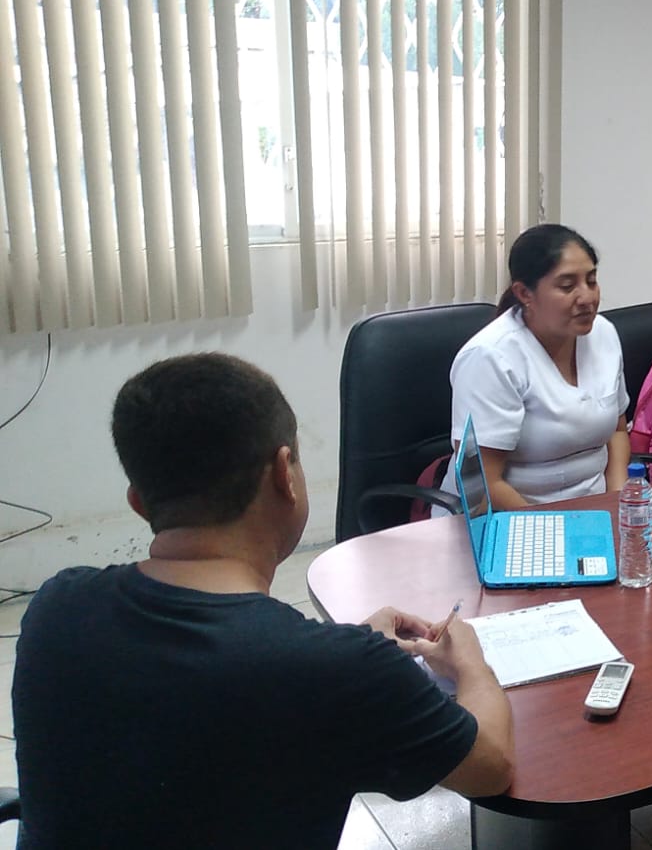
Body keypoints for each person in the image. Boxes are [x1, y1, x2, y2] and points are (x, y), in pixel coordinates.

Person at [13, 353, 512, 848]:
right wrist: (470, 665)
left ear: (139, 504)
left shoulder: (55, 610)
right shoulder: (337, 671)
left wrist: (351, 653)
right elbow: (491, 768)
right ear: (283, 475)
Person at [449, 224, 630, 509]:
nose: (587, 298)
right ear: (524, 293)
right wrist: (555, 528)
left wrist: (617, 501)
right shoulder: (491, 357)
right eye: (567, 286)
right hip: (512, 516)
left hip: (593, 509)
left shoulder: (603, 333)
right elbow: (487, 484)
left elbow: (618, 431)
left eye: (591, 281)